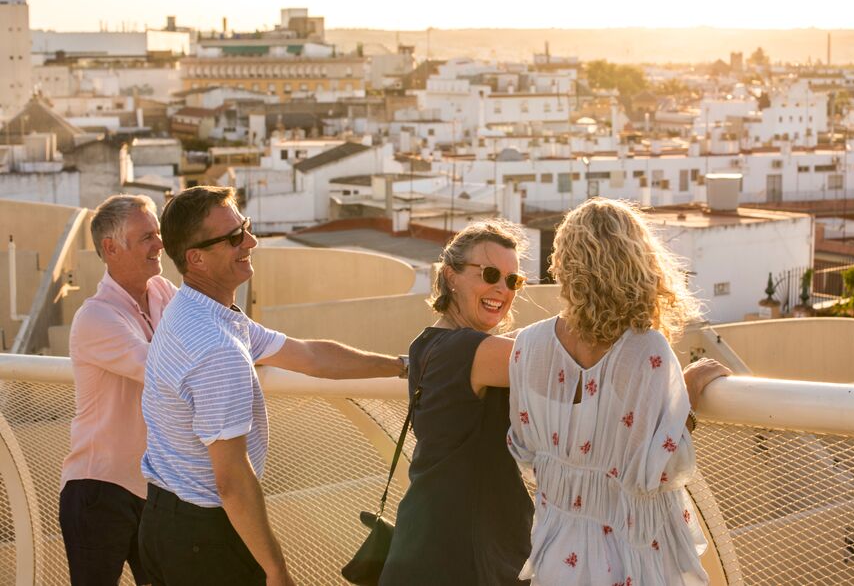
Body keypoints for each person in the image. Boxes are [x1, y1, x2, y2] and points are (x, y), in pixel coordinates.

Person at [138, 186, 405, 586]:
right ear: (195, 259)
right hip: (203, 541)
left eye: (244, 227)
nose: (251, 241)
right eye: (233, 238)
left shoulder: (197, 311)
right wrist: (277, 570)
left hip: (164, 521)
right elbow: (231, 480)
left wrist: (401, 366)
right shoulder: (216, 347)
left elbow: (311, 356)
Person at [507, 197, 731, 585]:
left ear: (563, 264)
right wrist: (688, 397)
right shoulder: (647, 351)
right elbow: (656, 470)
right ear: (638, 264)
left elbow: (526, 451)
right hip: (630, 559)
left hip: (557, 554)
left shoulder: (528, 346)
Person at [379, 220, 533, 586]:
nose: (502, 288)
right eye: (491, 273)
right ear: (451, 276)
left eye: (513, 280)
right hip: (464, 553)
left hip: (430, 540)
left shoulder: (426, 344)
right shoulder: (469, 350)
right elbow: (570, 371)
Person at [59, 194, 175, 586]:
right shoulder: (95, 315)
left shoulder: (163, 293)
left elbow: (204, 335)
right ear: (111, 248)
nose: (160, 244)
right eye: (147, 237)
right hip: (98, 489)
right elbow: (161, 368)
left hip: (152, 490)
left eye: (157, 233)